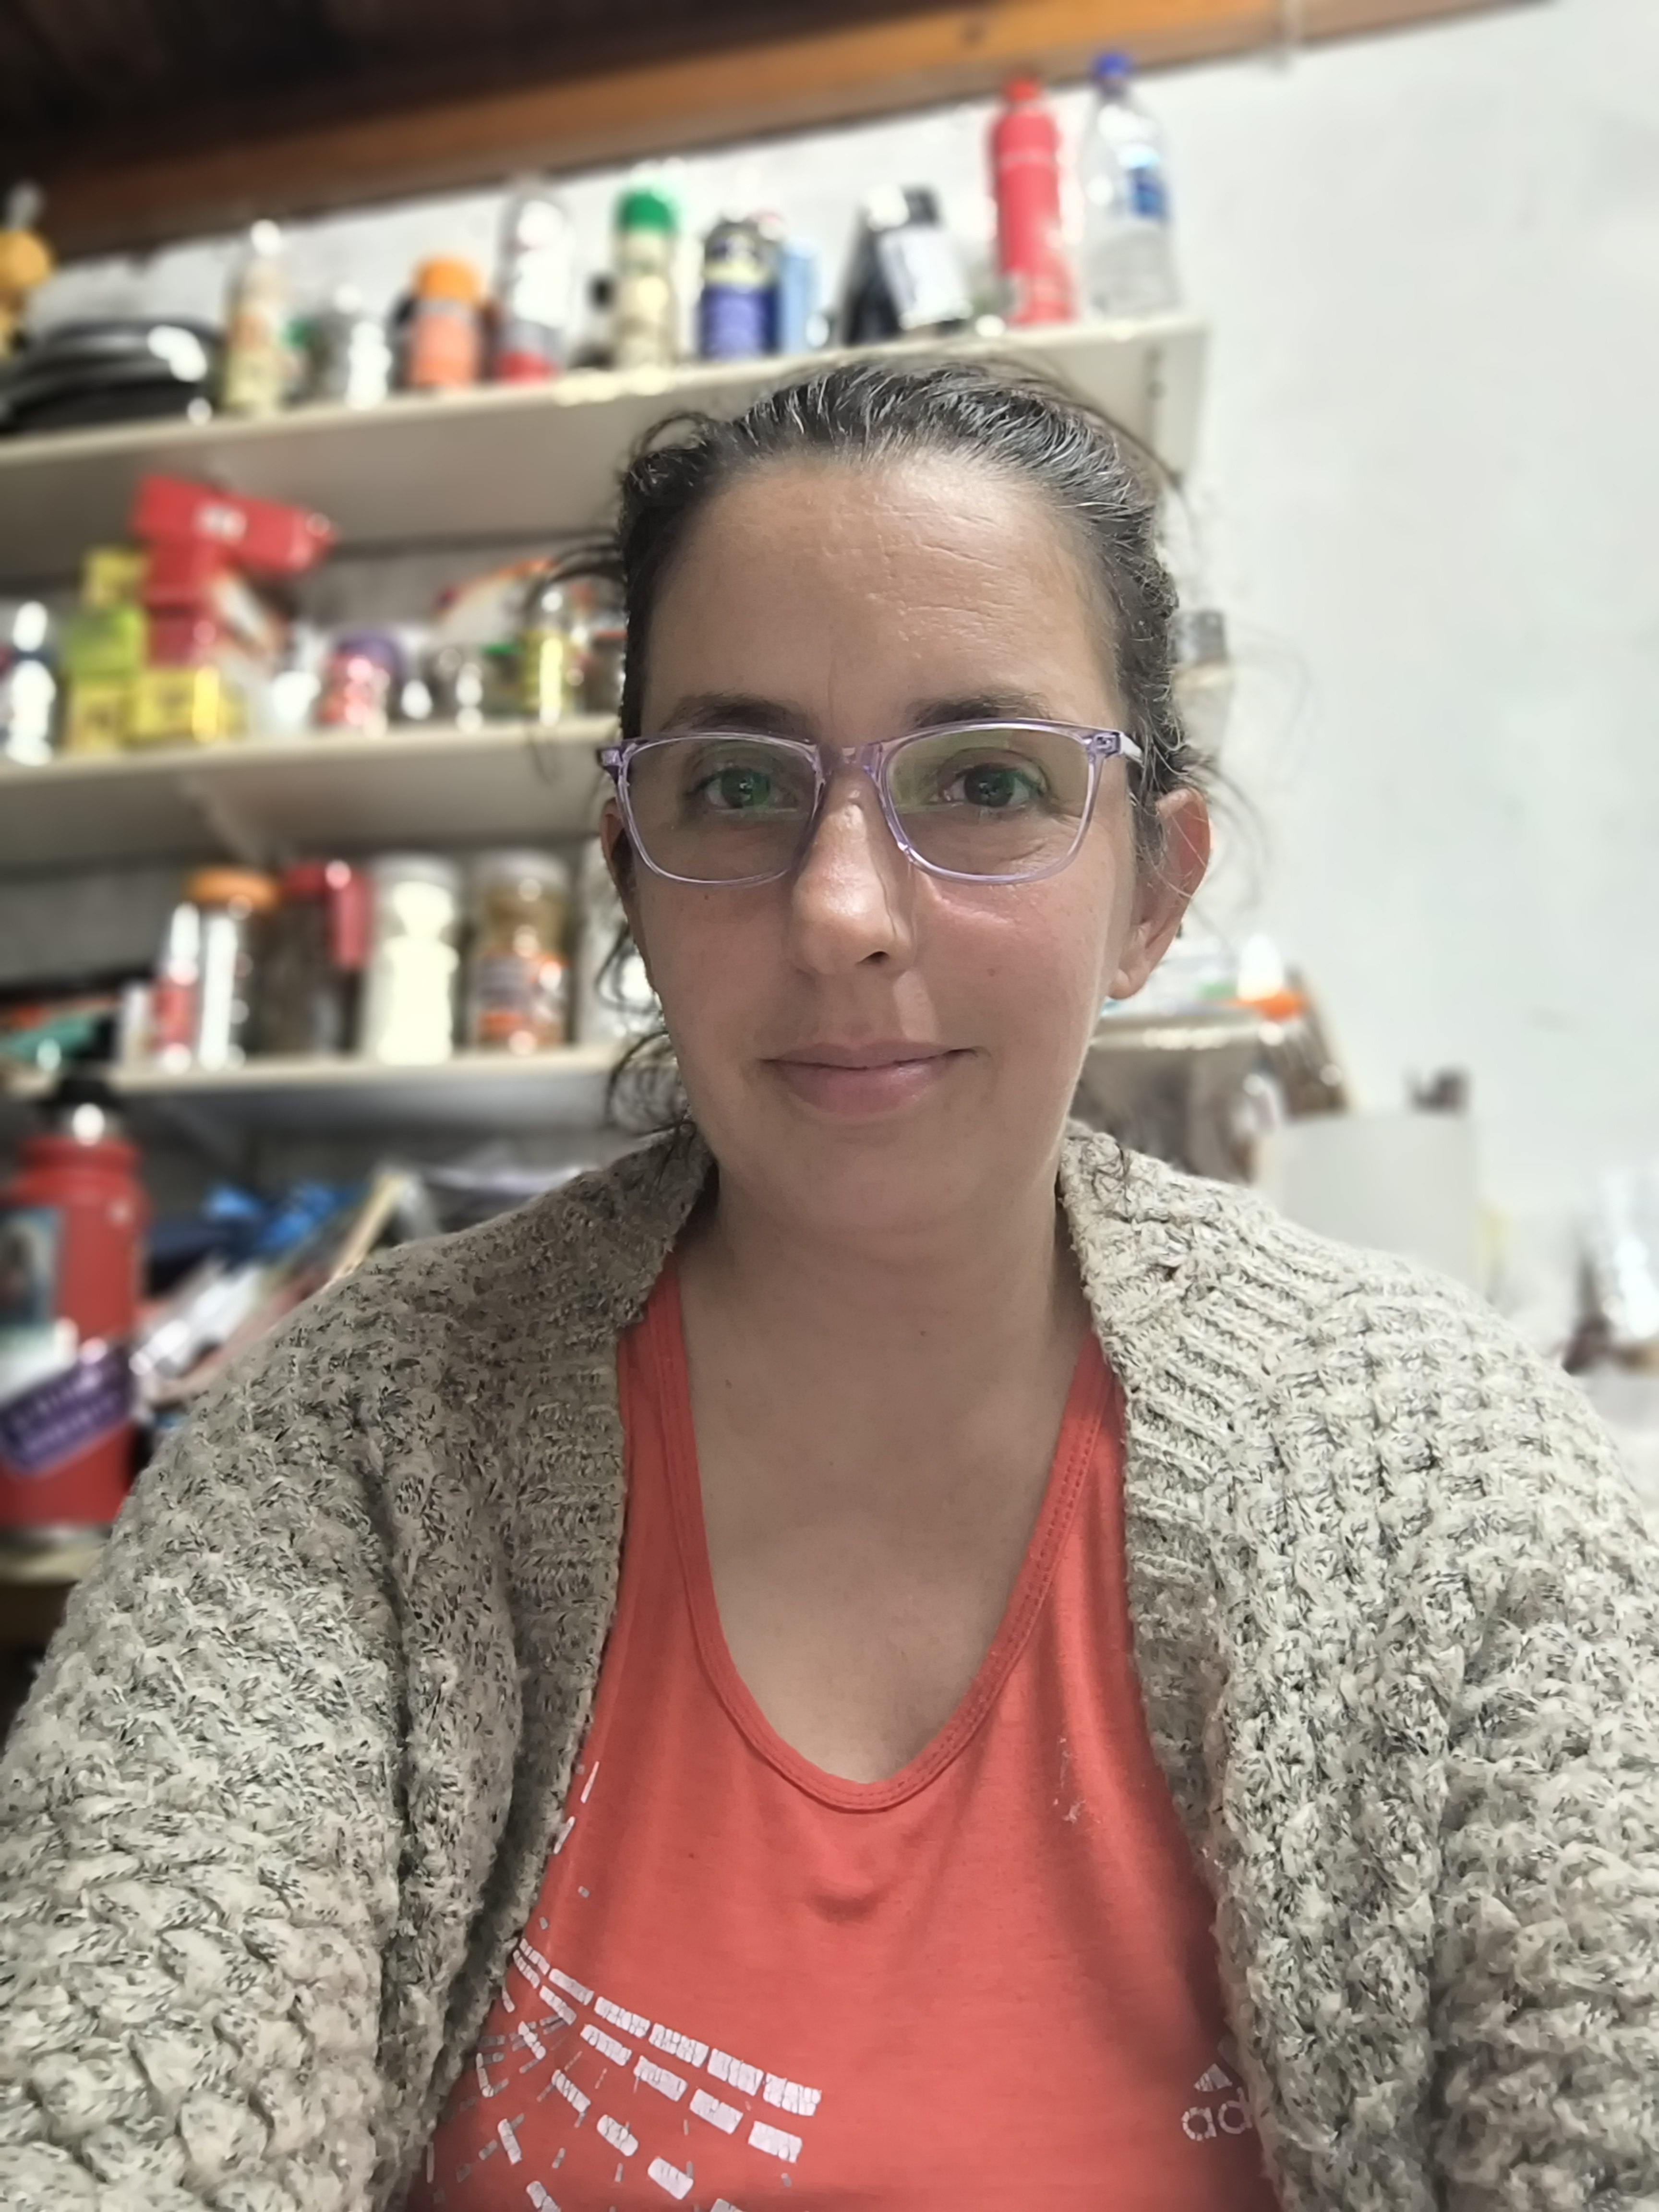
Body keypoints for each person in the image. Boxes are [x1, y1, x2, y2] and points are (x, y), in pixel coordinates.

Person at [1, 360, 1655, 2212]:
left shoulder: (1452, 1480)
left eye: (989, 781)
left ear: (1154, 891)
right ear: (631, 877)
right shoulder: (353, 1456)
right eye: (735, 786)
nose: (845, 911)